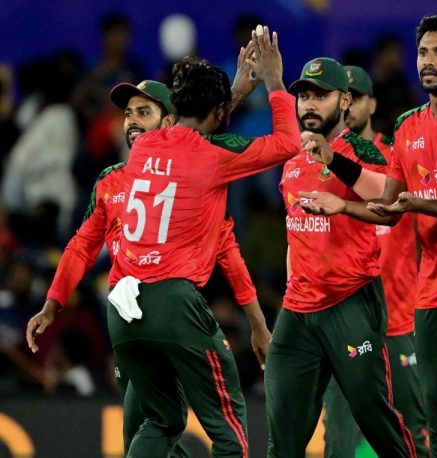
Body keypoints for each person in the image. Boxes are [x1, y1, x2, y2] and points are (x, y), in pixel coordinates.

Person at [26, 47, 270, 453]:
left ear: (170, 122)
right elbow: (82, 245)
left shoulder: (195, 173)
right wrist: (53, 302)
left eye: (144, 112)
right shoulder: (110, 180)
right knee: (145, 427)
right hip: (131, 314)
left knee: (163, 423)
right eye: (128, 114)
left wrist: (257, 323)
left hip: (174, 313)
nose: (132, 121)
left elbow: (228, 248)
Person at [300, 14, 437, 457]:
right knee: (435, 407)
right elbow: (389, 207)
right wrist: (342, 198)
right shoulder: (408, 126)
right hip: (430, 290)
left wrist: (417, 203)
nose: (428, 61)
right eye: (422, 52)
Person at [98, 26, 296, 457]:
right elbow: (287, 143)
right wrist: (274, 80)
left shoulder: (144, 146)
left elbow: (193, 132)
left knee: (162, 420)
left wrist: (232, 94)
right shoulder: (214, 156)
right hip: (174, 303)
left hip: (123, 307)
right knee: (227, 427)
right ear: (219, 112)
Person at [265, 56, 416, 458]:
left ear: (345, 101)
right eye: (304, 96)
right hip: (298, 312)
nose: (310, 104)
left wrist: (334, 165)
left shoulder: (362, 149)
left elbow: (390, 200)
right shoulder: (292, 160)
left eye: (321, 95)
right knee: (282, 435)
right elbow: (295, 235)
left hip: (350, 302)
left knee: (374, 416)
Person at [320, 65, 428, 457]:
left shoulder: (398, 157)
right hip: (343, 323)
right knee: (338, 443)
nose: (348, 106)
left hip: (398, 321)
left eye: (356, 97)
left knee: (413, 434)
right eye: (340, 97)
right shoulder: (319, 160)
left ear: (372, 104)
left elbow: (428, 226)